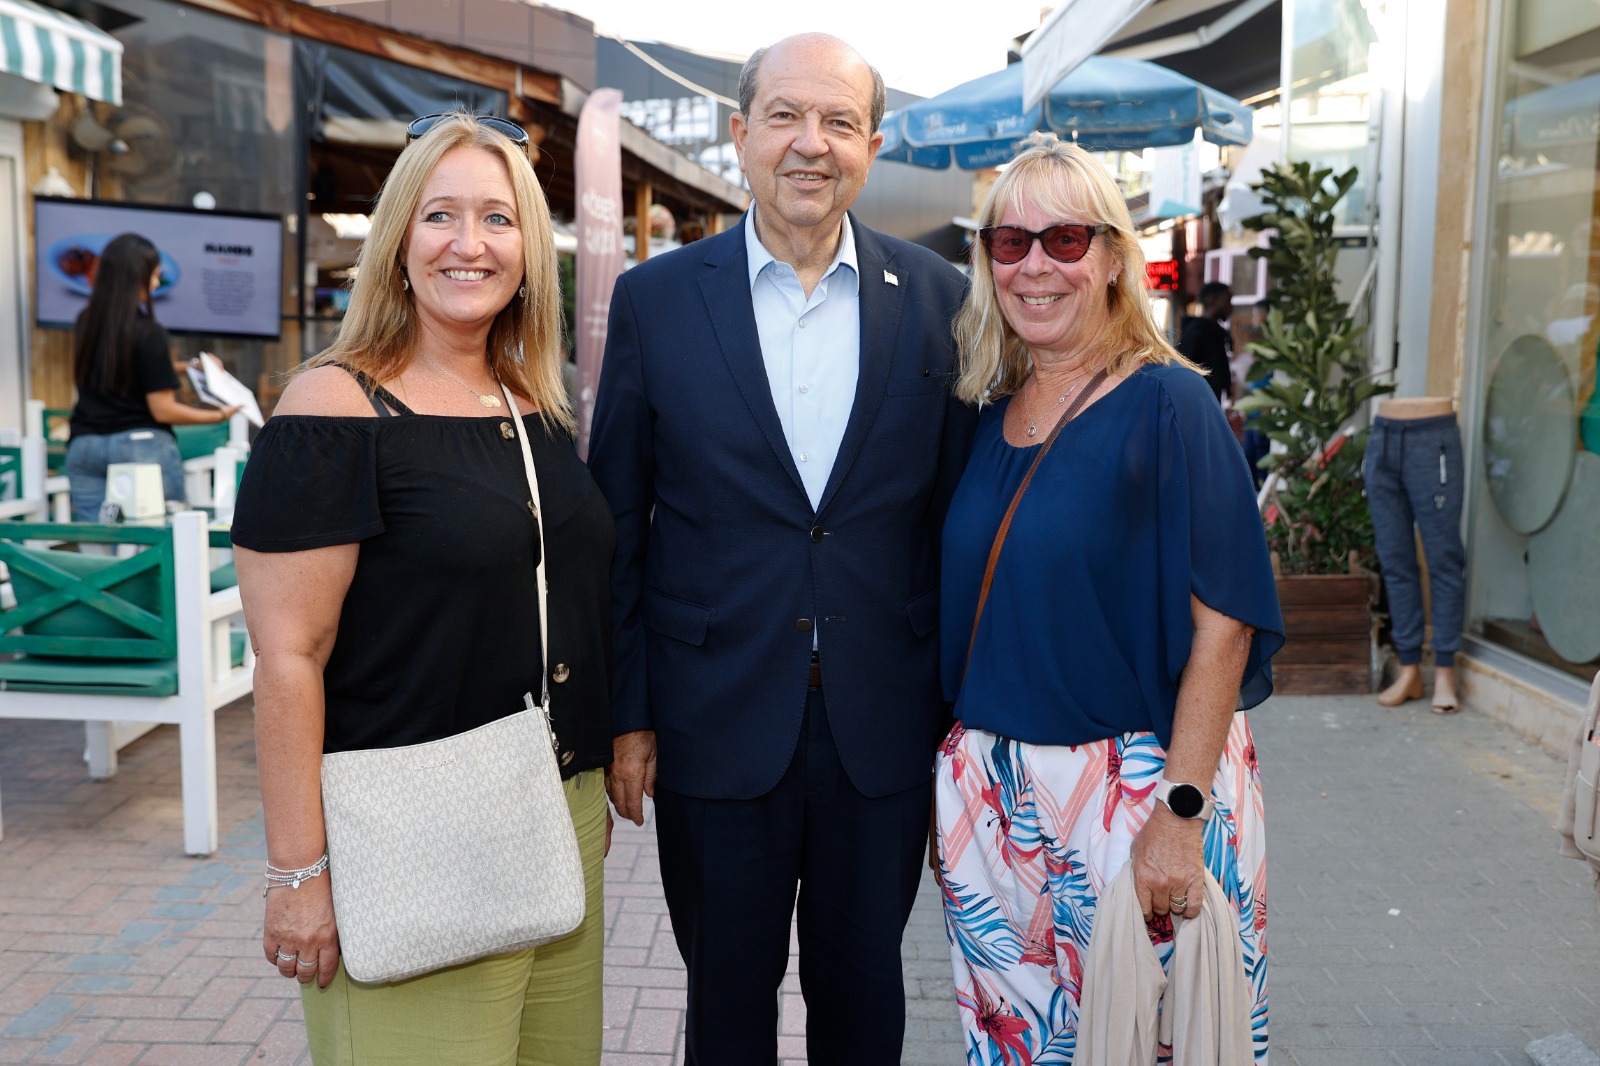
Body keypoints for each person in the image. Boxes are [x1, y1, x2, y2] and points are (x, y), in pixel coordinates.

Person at [586, 33, 974, 1066]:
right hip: (711, 718)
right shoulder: (657, 301)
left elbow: (957, 523)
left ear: (872, 147)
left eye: (839, 122)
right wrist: (627, 715)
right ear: (740, 133)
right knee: (724, 1000)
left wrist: (961, 720)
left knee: (864, 997)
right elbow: (618, 523)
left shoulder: (940, 301)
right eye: (786, 117)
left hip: (882, 724)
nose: (812, 143)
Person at [230, 111, 615, 1065]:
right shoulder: (332, 407)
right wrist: (298, 873)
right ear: (398, 242)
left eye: (498, 218)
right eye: (440, 216)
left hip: (556, 807)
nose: (469, 244)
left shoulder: (533, 400)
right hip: (412, 829)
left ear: (530, 249)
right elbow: (288, 655)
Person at [935, 132, 1285, 1060]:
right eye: (1011, 242)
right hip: (993, 801)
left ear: (1114, 260)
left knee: (1147, 1044)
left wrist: (1180, 812)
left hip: (1136, 792)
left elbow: (1226, 627)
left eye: (1065, 240)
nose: (1035, 266)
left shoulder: (1170, 405)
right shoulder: (987, 415)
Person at [65, 232, 238, 521]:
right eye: (155, 275)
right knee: (164, 535)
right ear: (137, 276)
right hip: (140, 446)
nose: (157, 283)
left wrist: (189, 366)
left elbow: (127, 369)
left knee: (97, 539)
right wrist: (219, 415)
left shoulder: (86, 321)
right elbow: (163, 409)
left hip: (84, 446)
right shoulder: (149, 332)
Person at [1368, 395, 1466, 714]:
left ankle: (1444, 672)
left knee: (1444, 559)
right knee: (1395, 560)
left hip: (1433, 439)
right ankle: (1409, 669)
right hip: (1383, 436)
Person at [1176, 279, 1234, 406]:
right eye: (1227, 301)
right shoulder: (1197, 332)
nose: (1231, 307)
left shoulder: (1215, 332)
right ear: (1212, 301)